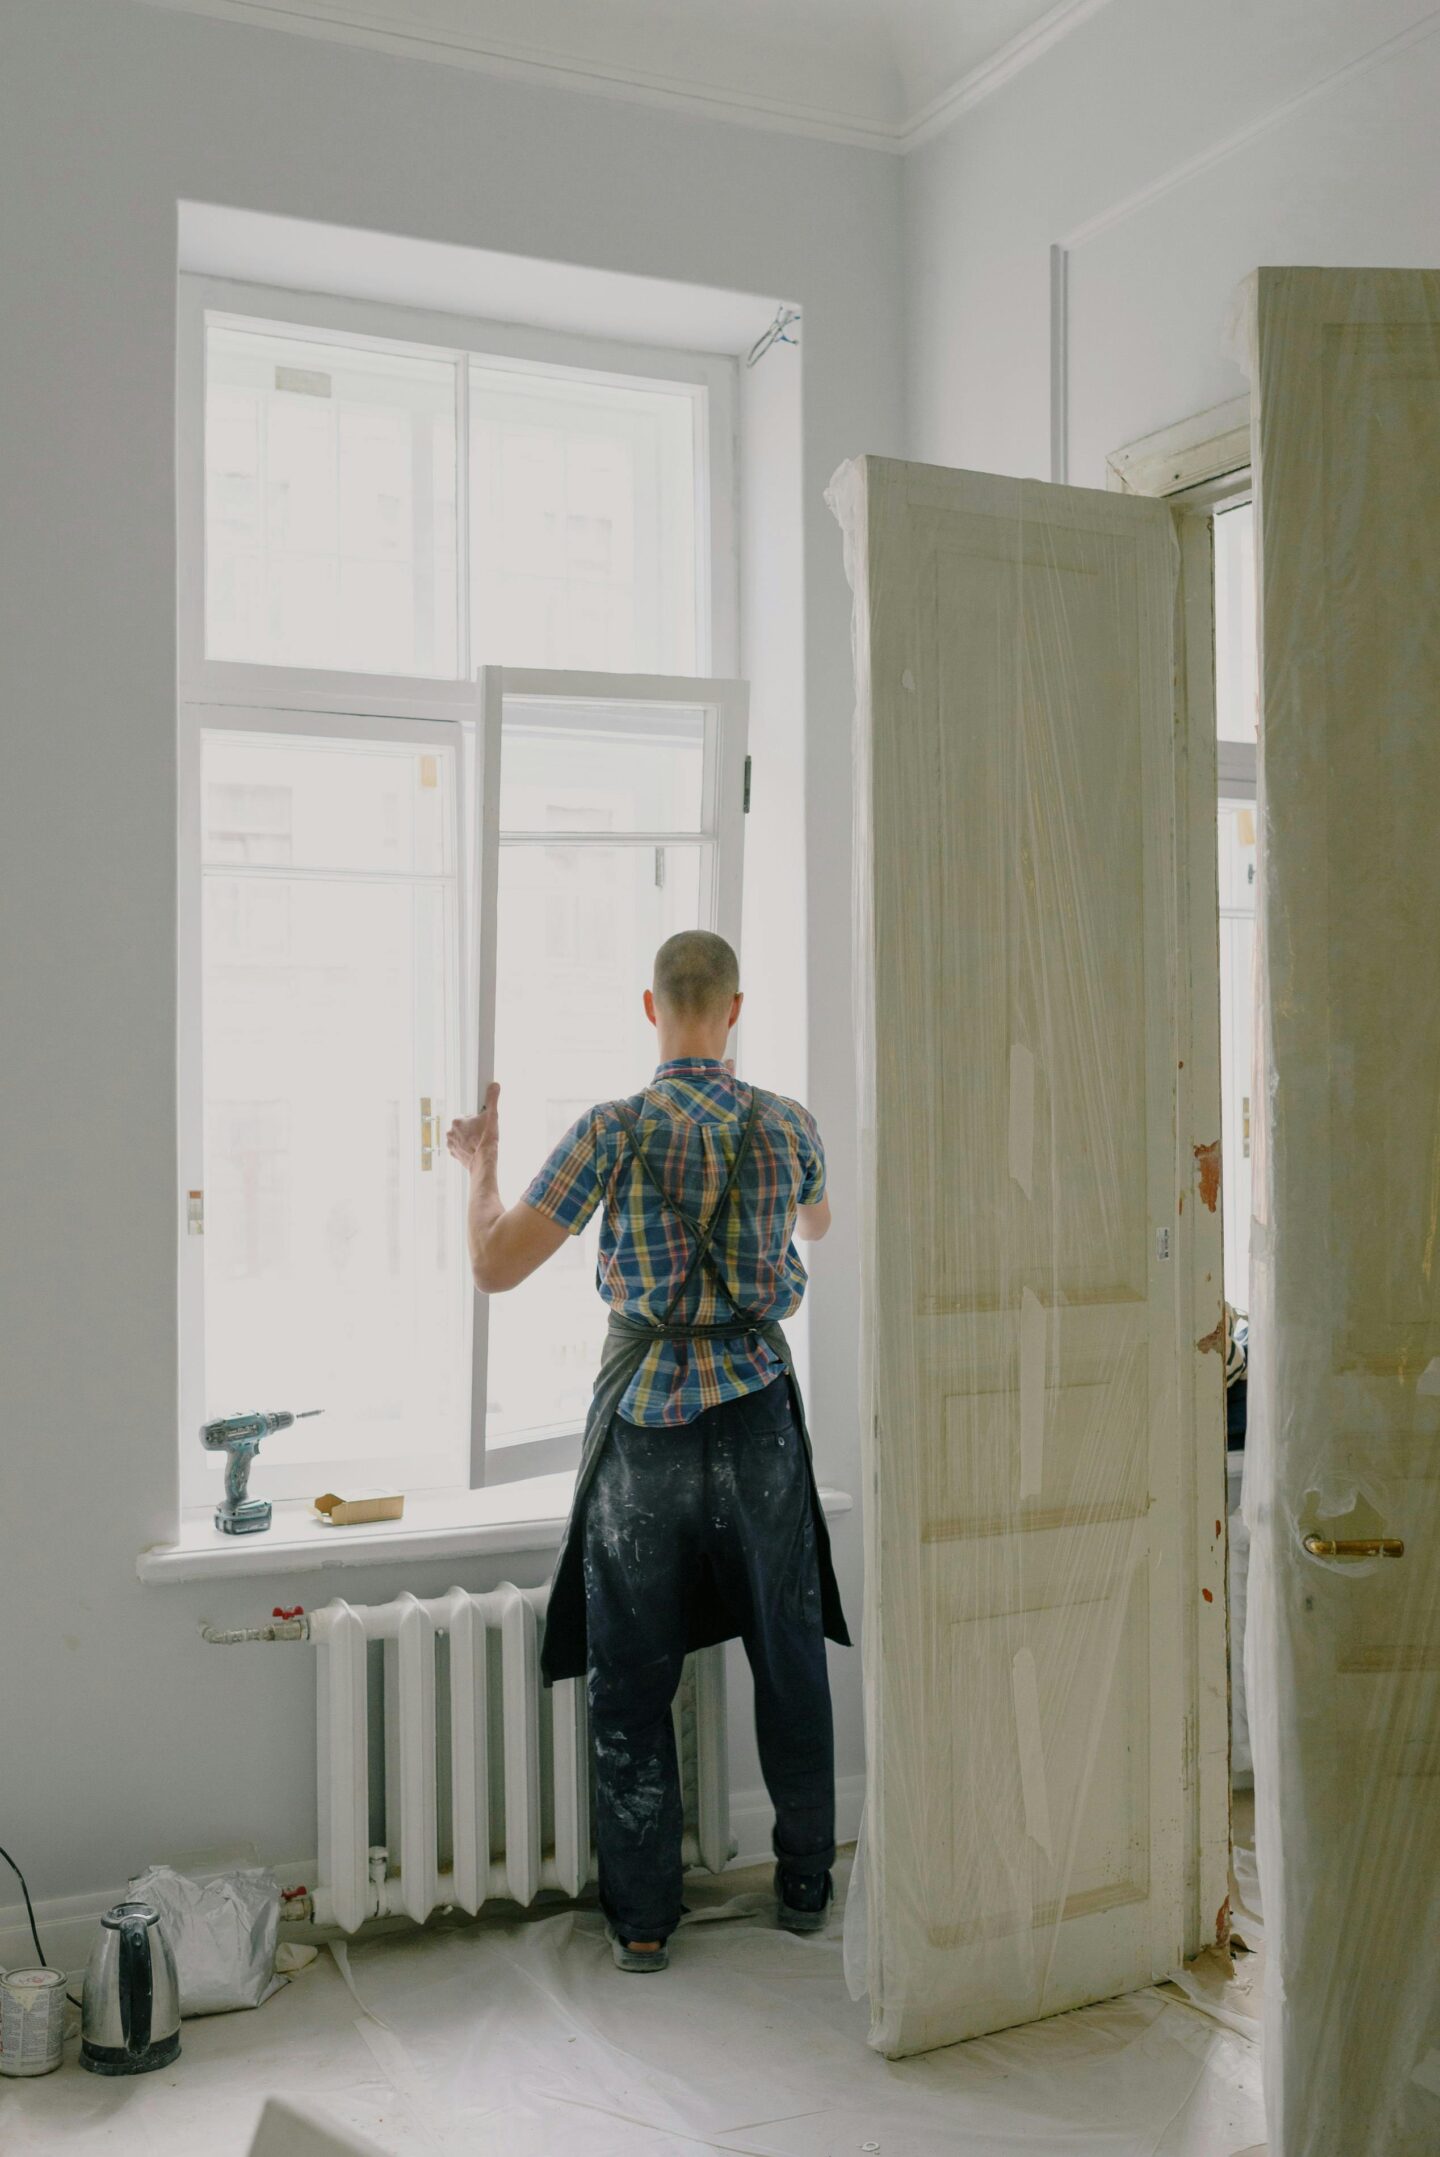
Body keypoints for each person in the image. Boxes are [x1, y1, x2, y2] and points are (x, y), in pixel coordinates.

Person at [446, 930, 849, 1973]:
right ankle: (807, 1881)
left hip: (649, 1427)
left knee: (632, 1672)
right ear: (735, 1008)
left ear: (650, 1006)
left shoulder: (611, 1131)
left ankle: (642, 1922)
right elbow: (818, 1224)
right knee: (788, 1651)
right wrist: (777, 1208)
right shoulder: (788, 1123)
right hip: (758, 1416)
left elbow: (493, 1265)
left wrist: (480, 1168)